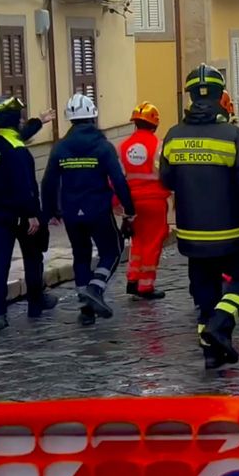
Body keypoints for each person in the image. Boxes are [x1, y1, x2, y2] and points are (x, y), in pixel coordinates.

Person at [159, 65, 239, 369]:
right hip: (229, 233)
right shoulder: (233, 136)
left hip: (190, 236)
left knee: (204, 294)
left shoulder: (173, 137)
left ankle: (211, 352)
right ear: (220, 95)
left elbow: (166, 181)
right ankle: (220, 326)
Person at [42, 93, 135, 325]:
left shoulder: (60, 148)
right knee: (112, 250)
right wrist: (129, 208)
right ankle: (95, 288)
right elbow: (119, 180)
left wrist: (50, 211)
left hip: (72, 213)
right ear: (93, 116)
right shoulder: (103, 147)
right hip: (98, 210)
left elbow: (48, 182)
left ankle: (86, 309)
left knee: (80, 256)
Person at [0, 95, 57, 331]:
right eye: (21, 118)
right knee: (33, 258)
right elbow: (24, 186)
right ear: (14, 120)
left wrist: (39, 122)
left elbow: (17, 136)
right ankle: (36, 303)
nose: (23, 121)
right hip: (21, 216)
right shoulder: (19, 152)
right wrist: (32, 214)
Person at [118, 102, 170, 300]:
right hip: (155, 201)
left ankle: (132, 278)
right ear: (154, 125)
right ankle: (146, 285)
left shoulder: (123, 147)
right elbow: (165, 173)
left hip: (131, 202)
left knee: (137, 240)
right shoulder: (158, 145)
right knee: (153, 242)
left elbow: (118, 176)